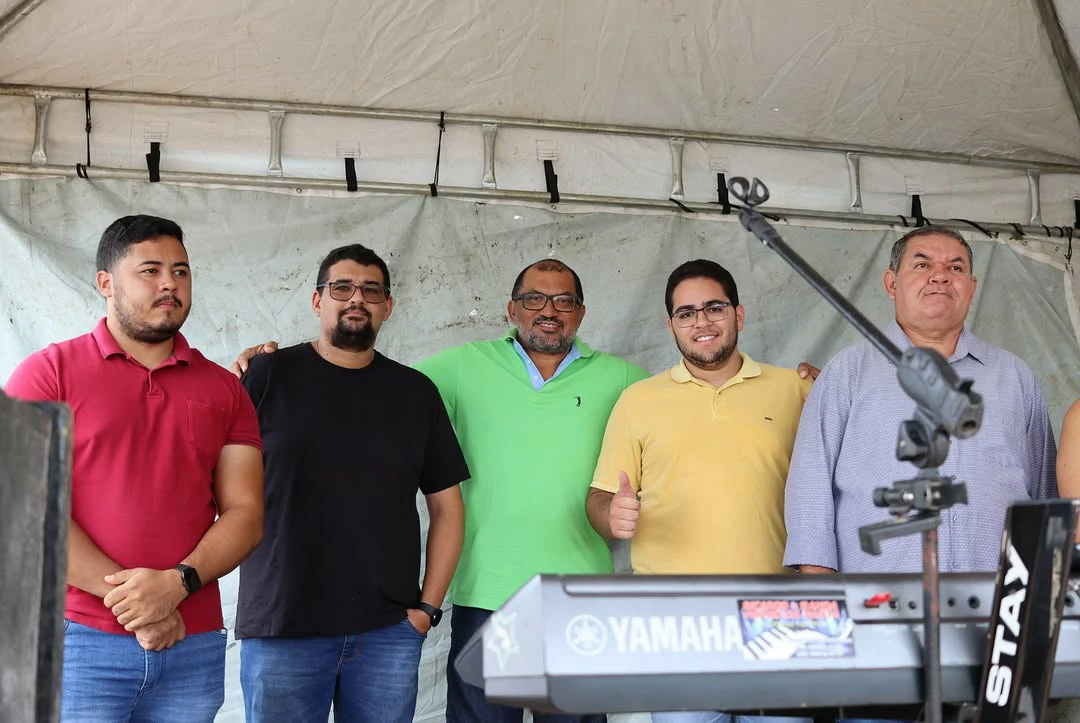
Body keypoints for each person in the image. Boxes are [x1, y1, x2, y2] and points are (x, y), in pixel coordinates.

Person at [3, 215, 265, 722]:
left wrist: (178, 586)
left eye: (182, 271)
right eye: (150, 270)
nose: (170, 283)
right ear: (105, 282)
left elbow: (246, 512)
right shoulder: (49, 373)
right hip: (76, 638)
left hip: (193, 641)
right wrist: (141, 604)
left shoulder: (224, 389)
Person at [234, 244, 468, 723]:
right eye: (341, 287)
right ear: (318, 301)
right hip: (283, 626)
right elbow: (212, 482)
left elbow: (448, 507)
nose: (356, 298)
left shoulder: (415, 392)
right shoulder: (267, 375)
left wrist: (426, 609)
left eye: (370, 290)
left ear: (388, 305)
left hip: (386, 631)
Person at [586, 259, 813, 723]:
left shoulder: (796, 389)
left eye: (714, 308)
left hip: (779, 617)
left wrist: (836, 387)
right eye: (686, 313)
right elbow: (599, 498)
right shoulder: (639, 401)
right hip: (677, 624)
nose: (702, 322)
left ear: (740, 314)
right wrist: (612, 515)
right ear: (670, 324)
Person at [784, 226, 1057, 579]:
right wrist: (823, 600)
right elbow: (810, 490)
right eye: (922, 265)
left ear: (971, 287)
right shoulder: (846, 373)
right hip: (879, 607)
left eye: (956, 268)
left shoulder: (1015, 378)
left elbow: (1047, 499)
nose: (940, 276)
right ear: (891, 283)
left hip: (999, 607)